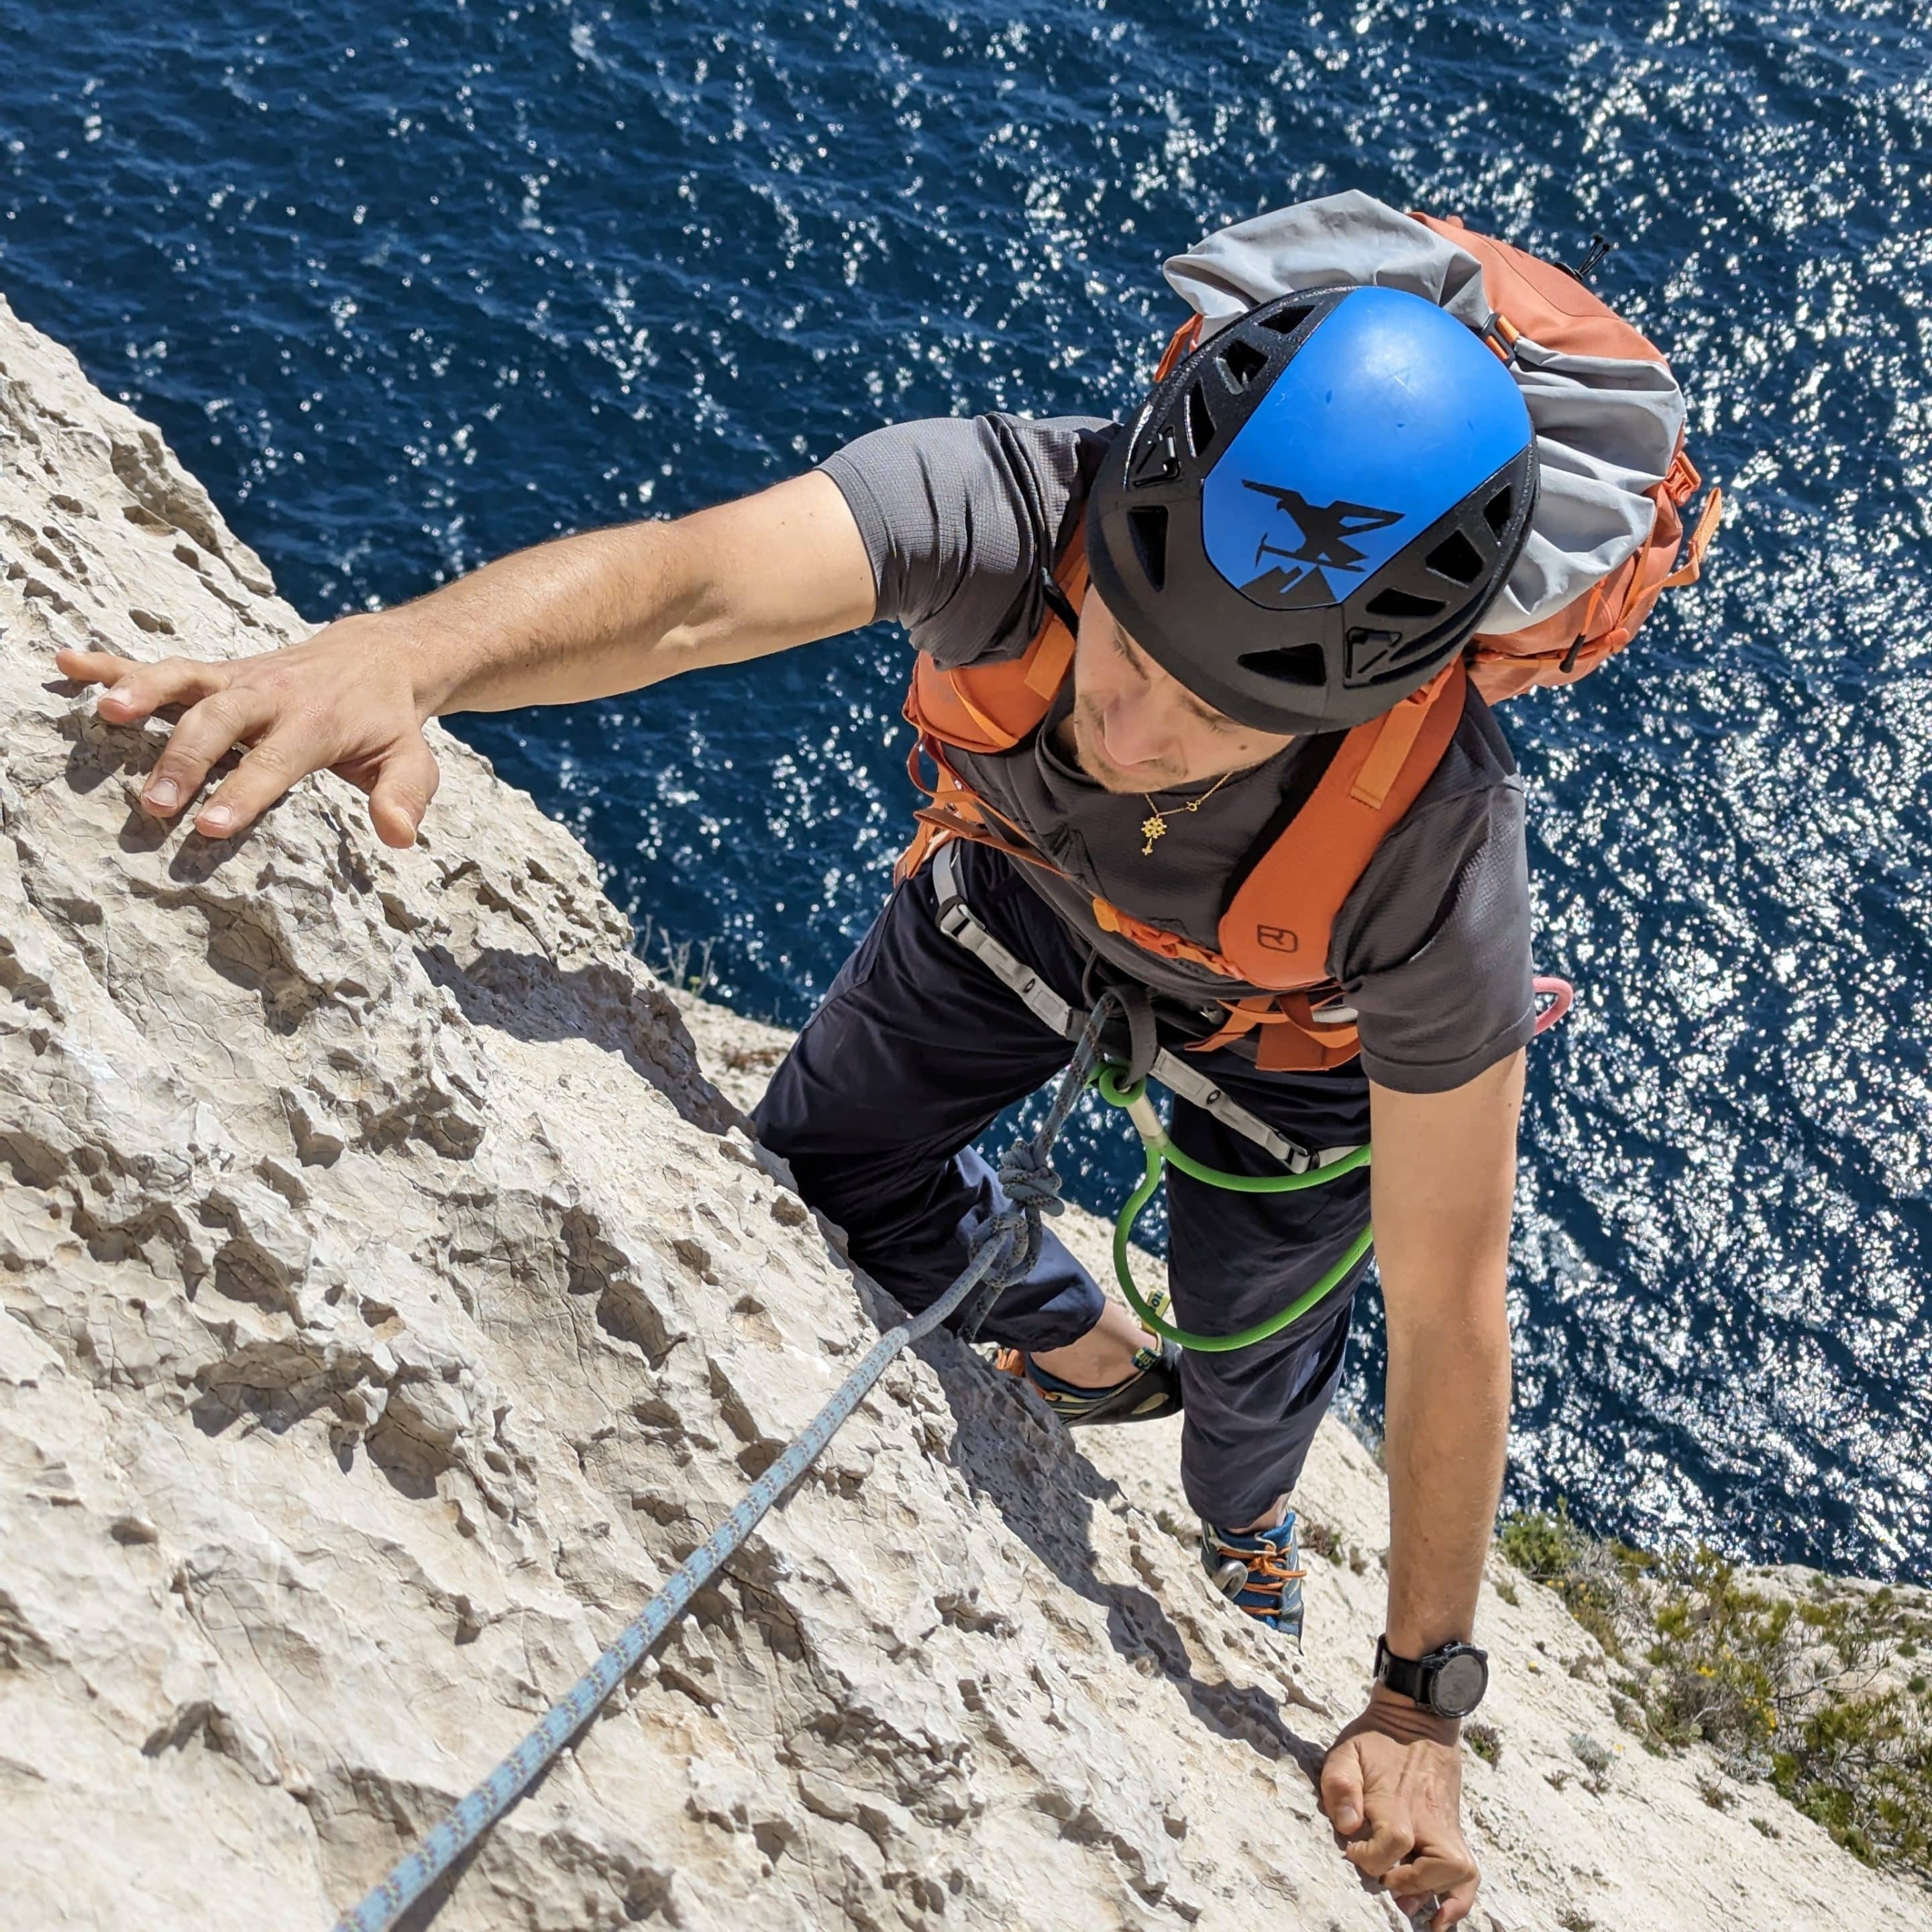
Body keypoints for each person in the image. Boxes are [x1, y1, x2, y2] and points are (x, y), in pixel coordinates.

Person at [60, 280, 1555, 1932]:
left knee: (1248, 1384)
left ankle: (1243, 1504)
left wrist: (1420, 1699)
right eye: (1123, 642)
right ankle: (1074, 1348)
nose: (1126, 725)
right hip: (1021, 899)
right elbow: (692, 590)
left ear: (1361, 699)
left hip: (1289, 1063)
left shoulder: (1437, 850)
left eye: (1211, 713)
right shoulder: (1018, 503)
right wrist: (406, 657)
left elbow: (1446, 1298)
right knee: (828, 1166)